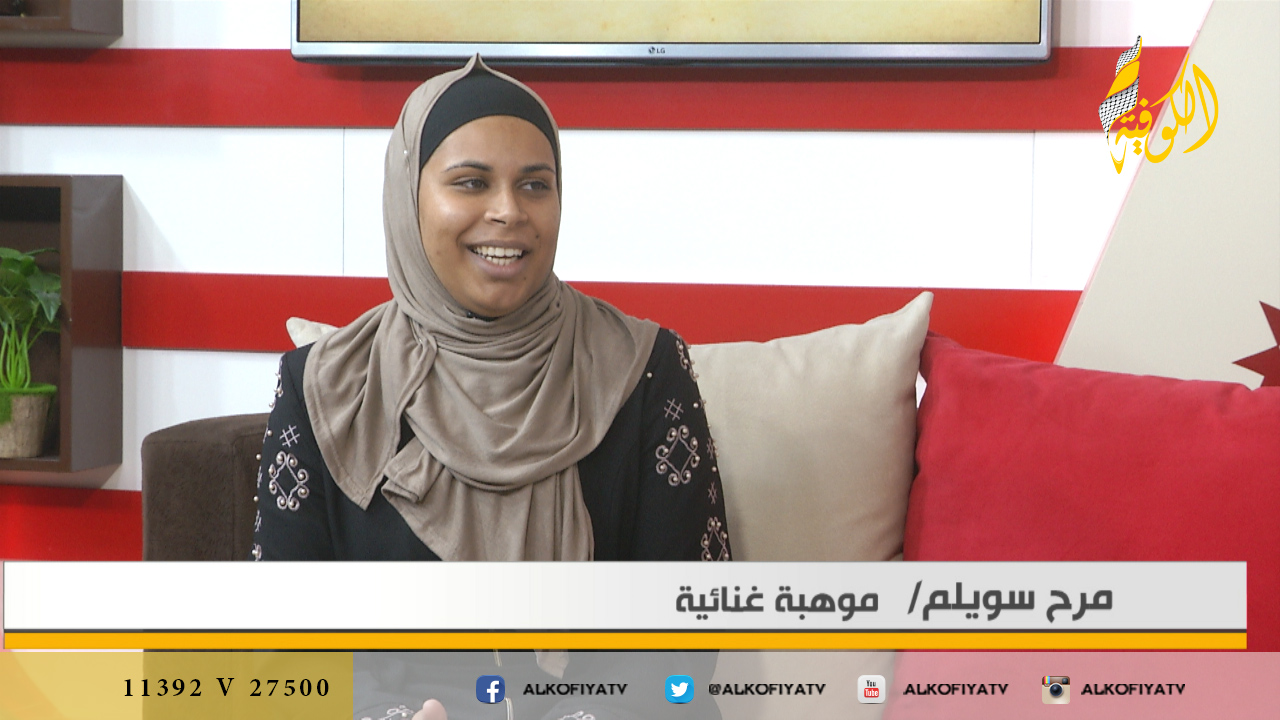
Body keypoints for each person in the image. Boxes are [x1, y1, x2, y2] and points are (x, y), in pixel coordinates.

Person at [251, 55, 729, 719]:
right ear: (409, 197)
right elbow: (284, 649)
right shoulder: (324, 387)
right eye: (471, 183)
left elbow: (685, 633)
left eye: (535, 185)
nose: (508, 211)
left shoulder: (645, 370)